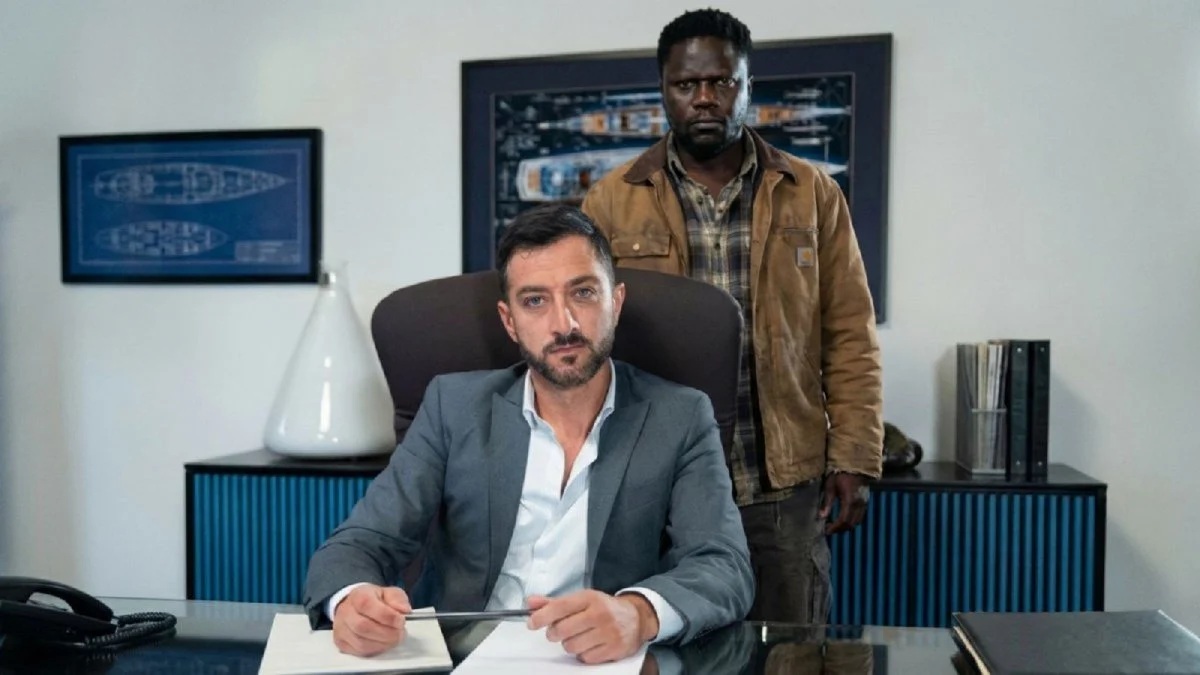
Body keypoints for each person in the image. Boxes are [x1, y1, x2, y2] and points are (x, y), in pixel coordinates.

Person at [302, 203, 754, 664]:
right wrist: (352, 600)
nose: (564, 324)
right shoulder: (453, 408)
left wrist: (638, 614)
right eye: (535, 301)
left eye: (583, 293)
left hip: (596, 663)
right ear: (509, 320)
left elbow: (724, 565)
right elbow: (360, 543)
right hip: (463, 657)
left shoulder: (679, 416)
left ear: (615, 302)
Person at [580, 8, 884, 624]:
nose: (704, 98)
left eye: (722, 82)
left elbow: (849, 334)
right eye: (686, 84)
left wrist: (854, 457)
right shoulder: (610, 202)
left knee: (792, 652)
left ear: (747, 87)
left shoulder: (811, 192)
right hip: (658, 486)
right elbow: (590, 342)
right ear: (664, 90)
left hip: (780, 484)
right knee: (666, 647)